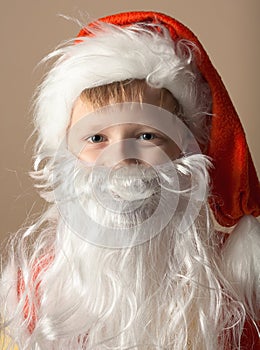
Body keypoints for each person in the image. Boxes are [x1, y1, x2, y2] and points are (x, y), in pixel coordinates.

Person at [1, 10, 259, 350]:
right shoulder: (29, 293)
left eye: (148, 135)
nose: (121, 157)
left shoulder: (235, 292)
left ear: (185, 151)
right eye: (96, 139)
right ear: (67, 156)